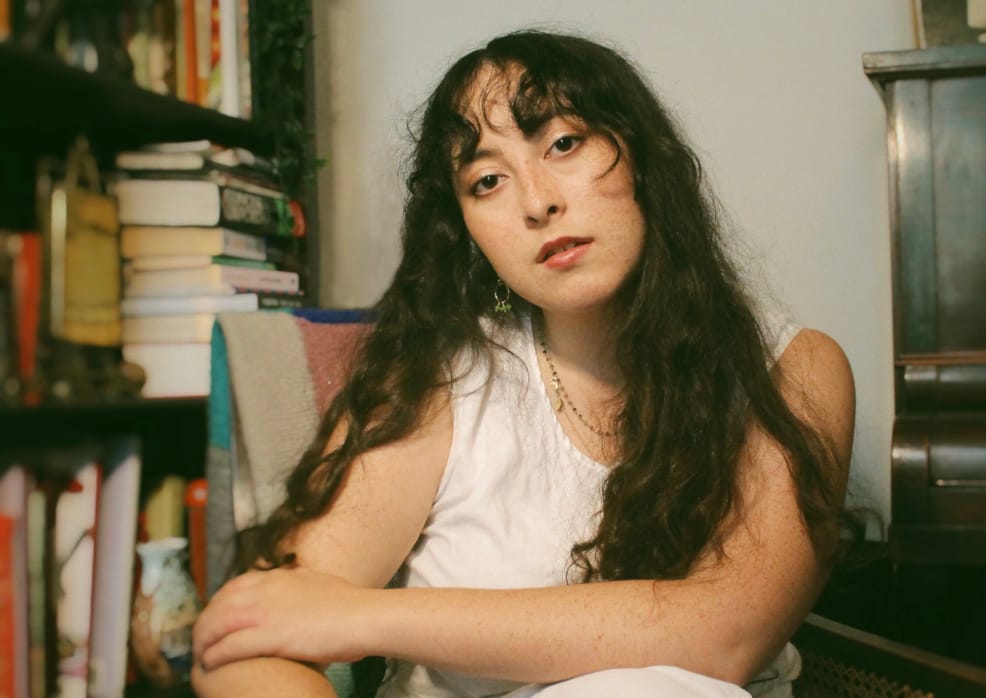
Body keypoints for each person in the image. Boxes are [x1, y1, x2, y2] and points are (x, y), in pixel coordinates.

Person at [190, 29, 858, 698]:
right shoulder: (441, 382)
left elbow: (725, 633)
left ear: (641, 159)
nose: (537, 202)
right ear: (469, 232)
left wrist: (361, 618)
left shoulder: (793, 373)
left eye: (564, 144)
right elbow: (253, 639)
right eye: (487, 181)